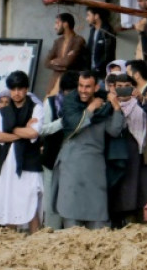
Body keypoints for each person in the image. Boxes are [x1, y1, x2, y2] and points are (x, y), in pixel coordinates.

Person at [51, 71, 124, 229]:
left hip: (94, 167)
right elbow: (75, 125)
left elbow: (115, 131)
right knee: (71, 216)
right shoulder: (71, 104)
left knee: (98, 218)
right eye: (81, 86)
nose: (83, 90)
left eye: (87, 87)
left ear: (96, 87)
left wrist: (116, 107)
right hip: (71, 166)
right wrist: (91, 107)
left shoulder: (103, 109)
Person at [0, 71, 43, 233]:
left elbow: (33, 133)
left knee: (30, 202)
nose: (16, 93)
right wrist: (21, 131)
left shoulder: (36, 108)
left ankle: (36, 243)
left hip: (29, 163)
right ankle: (11, 244)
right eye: (13, 89)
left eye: (20, 89)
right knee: (9, 202)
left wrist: (11, 128)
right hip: (7, 164)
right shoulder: (3, 111)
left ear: (26, 89)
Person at [109, 75, 147, 227]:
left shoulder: (140, 105)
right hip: (117, 157)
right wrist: (114, 104)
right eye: (119, 86)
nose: (123, 89)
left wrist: (142, 99)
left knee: (138, 192)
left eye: (127, 85)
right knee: (119, 194)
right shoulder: (109, 105)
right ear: (113, 87)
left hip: (138, 155)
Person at [38, 70, 77, 230]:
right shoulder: (52, 103)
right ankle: (51, 231)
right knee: (50, 200)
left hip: (74, 160)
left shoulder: (84, 106)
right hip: (52, 159)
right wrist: (62, 122)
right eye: (67, 91)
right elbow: (42, 129)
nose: (70, 94)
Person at [44, 12, 87, 95]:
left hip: (71, 84)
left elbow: (68, 62)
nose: (55, 27)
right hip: (54, 82)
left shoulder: (78, 40)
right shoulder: (57, 42)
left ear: (65, 24)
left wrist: (54, 61)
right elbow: (46, 62)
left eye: (57, 23)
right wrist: (62, 66)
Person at [86, 7, 116, 80]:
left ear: (96, 16)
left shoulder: (107, 31)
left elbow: (108, 54)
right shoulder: (92, 30)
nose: (87, 18)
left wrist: (98, 68)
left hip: (102, 73)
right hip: (91, 70)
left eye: (88, 15)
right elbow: (89, 50)